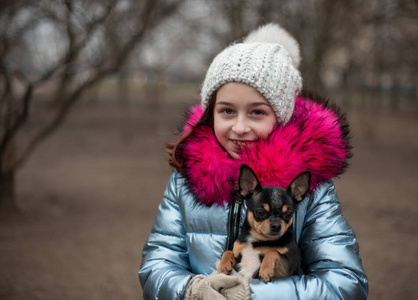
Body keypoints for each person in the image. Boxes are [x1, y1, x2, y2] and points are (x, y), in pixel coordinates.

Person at [139, 23, 369, 300]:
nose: (240, 127)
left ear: (281, 116)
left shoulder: (310, 190)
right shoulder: (184, 181)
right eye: (227, 111)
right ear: (211, 114)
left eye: (257, 112)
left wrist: (250, 295)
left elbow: (345, 283)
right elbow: (157, 264)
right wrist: (190, 290)